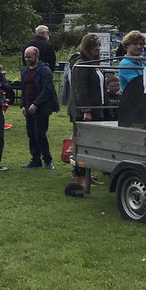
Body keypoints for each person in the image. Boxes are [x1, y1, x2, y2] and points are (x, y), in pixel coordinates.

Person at [67, 33, 105, 185]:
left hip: (95, 109)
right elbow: (80, 89)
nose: (99, 48)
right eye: (96, 45)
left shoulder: (93, 63)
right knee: (81, 143)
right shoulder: (81, 63)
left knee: (90, 144)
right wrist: (86, 110)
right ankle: (79, 175)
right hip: (83, 111)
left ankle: (88, 174)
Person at [20, 46, 58, 169]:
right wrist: (23, 105)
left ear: (36, 56)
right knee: (31, 133)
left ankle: (47, 160)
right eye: (25, 57)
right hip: (28, 105)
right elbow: (24, 88)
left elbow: (47, 89)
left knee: (40, 134)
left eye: (29, 57)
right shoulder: (24, 71)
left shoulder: (44, 70)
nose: (27, 59)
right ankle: (35, 159)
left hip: (41, 106)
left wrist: (36, 104)